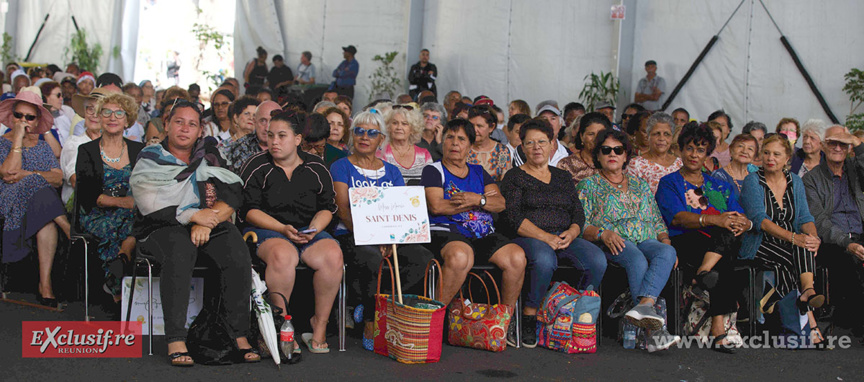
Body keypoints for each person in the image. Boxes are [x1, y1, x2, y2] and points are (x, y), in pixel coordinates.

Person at [130, 100, 256, 366]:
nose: (185, 129)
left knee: (235, 247)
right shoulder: (150, 157)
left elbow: (232, 192)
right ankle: (176, 338)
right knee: (180, 248)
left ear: (201, 130)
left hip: (206, 221)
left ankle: (238, 334)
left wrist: (204, 222)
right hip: (159, 226)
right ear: (166, 125)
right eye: (179, 122)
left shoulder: (210, 154)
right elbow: (149, 203)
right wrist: (191, 215)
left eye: (192, 124)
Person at [240, 110, 342, 354]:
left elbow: (328, 208)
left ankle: (319, 325)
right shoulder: (256, 165)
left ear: (297, 139)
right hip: (266, 230)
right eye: (270, 135)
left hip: (307, 231)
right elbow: (248, 210)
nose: (274, 141)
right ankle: (280, 326)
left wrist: (315, 228)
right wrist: (281, 228)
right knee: (285, 255)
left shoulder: (316, 166)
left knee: (333, 255)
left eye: (282, 136)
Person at [330, 110, 434, 350]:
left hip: (389, 237)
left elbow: (400, 207)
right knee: (373, 259)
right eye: (359, 131)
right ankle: (370, 321)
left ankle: (374, 305)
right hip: (351, 234)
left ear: (380, 140)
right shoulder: (340, 167)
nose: (365, 137)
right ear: (352, 136)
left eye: (372, 133)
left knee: (423, 259)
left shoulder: (392, 171)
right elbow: (342, 209)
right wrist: (370, 236)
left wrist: (390, 238)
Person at [501, 119, 605, 348]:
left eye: (542, 142)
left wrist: (572, 232)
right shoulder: (514, 177)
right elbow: (513, 217)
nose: (536, 147)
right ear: (522, 147)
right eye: (530, 143)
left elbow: (578, 213)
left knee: (596, 260)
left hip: (563, 235)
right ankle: (530, 315)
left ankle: (572, 314)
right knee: (545, 260)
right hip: (528, 236)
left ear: (551, 145)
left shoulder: (562, 177)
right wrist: (546, 237)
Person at [420, 118, 527, 343]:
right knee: (460, 257)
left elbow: (500, 204)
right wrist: (479, 201)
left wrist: (474, 199)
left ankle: (502, 324)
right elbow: (437, 206)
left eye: (461, 139)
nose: (455, 143)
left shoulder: (479, 172)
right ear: (443, 142)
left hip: (482, 233)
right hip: (447, 230)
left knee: (516, 257)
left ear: (470, 145)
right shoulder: (433, 170)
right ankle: (432, 321)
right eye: (450, 137)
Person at [576, 128, 679, 352]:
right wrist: (603, 233)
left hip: (645, 238)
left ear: (625, 156)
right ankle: (654, 331)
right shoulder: (588, 185)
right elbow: (579, 224)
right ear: (598, 156)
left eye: (618, 149)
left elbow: (657, 219)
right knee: (637, 259)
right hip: (613, 241)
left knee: (667, 253)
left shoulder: (639, 184)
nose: (612, 154)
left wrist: (665, 240)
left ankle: (644, 307)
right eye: (606, 150)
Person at [656, 123, 749, 353]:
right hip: (686, 241)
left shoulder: (719, 185)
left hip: (719, 242)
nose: (694, 155)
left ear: (708, 154)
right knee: (725, 252)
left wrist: (745, 223)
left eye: (700, 150)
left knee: (728, 238)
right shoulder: (670, 182)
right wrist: (715, 220)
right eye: (689, 148)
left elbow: (737, 214)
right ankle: (719, 330)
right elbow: (677, 218)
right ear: (680, 150)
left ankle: (701, 275)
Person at [739, 134, 824, 345]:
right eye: (766, 153)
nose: (770, 158)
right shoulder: (752, 181)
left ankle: (805, 295)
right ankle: (810, 320)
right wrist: (795, 238)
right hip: (759, 242)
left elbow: (805, 217)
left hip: (789, 242)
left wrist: (813, 238)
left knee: (803, 246)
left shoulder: (795, 181)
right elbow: (760, 221)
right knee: (794, 255)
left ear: (787, 158)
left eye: (777, 154)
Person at [0, 88, 71, 308]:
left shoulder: (42, 146)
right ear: (12, 116)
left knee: (43, 211)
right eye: (19, 115)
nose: (23, 121)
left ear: (37, 119)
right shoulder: (3, 143)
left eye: (29, 117)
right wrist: (18, 140)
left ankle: (45, 284)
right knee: (36, 185)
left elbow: (58, 178)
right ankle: (68, 227)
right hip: (9, 200)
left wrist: (28, 175)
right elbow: (8, 175)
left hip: (40, 207)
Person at [75, 93, 143, 301]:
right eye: (107, 112)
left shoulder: (139, 149)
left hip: (131, 213)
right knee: (121, 225)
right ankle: (119, 287)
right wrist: (123, 202)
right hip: (96, 213)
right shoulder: (86, 150)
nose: (113, 117)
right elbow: (87, 194)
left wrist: (131, 204)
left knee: (135, 221)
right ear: (100, 117)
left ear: (127, 120)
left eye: (119, 113)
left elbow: (145, 186)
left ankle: (120, 262)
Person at [802, 125, 864, 338]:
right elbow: (819, 221)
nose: (838, 147)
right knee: (848, 260)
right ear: (822, 145)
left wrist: (856, 141)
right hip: (834, 241)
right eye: (832, 142)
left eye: (843, 144)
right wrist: (847, 243)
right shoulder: (811, 179)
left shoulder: (856, 170)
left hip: (860, 233)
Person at [61, 88, 107, 206]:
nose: (94, 115)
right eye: (90, 109)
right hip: (81, 207)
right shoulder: (75, 143)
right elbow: (76, 180)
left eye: (100, 110)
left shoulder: (112, 145)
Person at [627, 112, 682, 194]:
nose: (661, 138)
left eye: (666, 134)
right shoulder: (636, 165)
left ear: (672, 137)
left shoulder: (680, 164)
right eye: (657, 134)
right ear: (648, 136)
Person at [377, 105, 433, 185]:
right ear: (388, 127)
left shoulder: (424, 154)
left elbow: (430, 184)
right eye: (395, 123)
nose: (399, 127)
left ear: (412, 129)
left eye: (404, 124)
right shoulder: (380, 153)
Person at [227, 100, 281, 174]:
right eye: (263, 121)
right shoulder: (239, 148)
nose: (267, 128)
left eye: (273, 121)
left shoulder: (291, 148)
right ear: (254, 121)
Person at [557, 112, 611, 185]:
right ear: (582, 136)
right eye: (591, 134)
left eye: (600, 134)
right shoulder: (566, 165)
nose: (596, 139)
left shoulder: (613, 162)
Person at [466, 105, 511, 181]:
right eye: (471, 125)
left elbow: (505, 182)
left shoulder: (502, 151)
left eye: (479, 126)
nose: (474, 130)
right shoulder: (463, 149)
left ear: (491, 127)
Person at [217, 96, 260, 168]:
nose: (251, 118)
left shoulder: (260, 146)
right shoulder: (224, 147)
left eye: (254, 115)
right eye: (247, 113)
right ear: (236, 118)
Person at [39, 81, 74, 145]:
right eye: (58, 95)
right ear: (45, 97)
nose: (61, 98)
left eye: (62, 95)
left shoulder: (65, 116)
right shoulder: (39, 120)